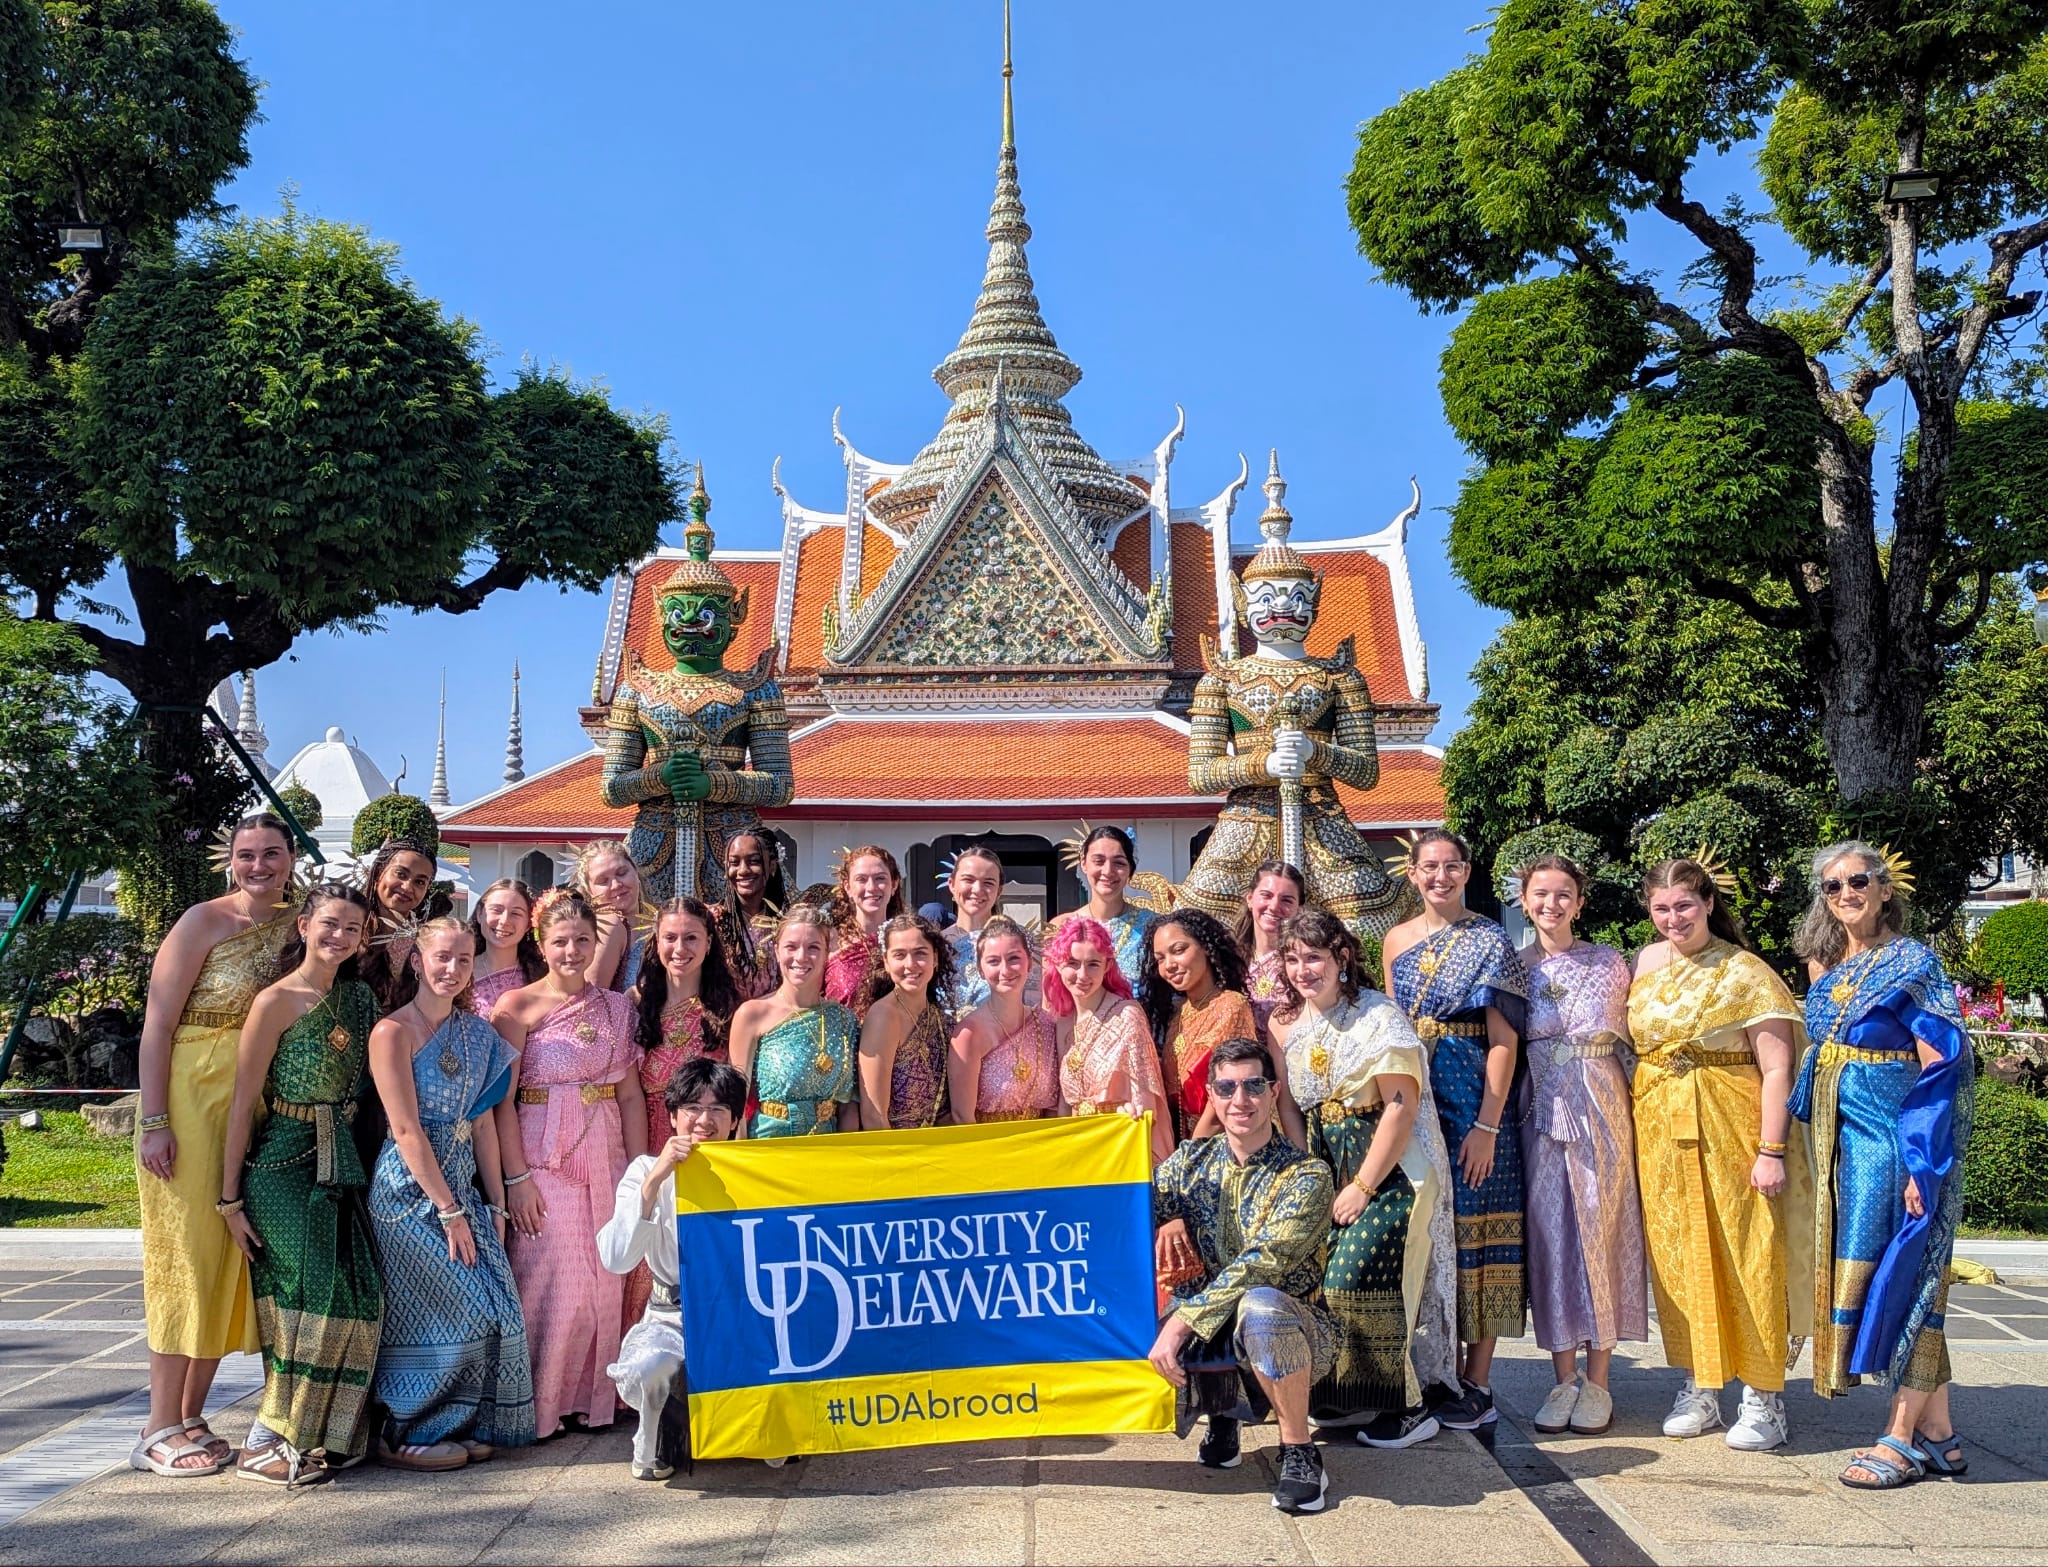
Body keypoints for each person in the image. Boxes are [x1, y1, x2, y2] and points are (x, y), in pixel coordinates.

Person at [1789, 842, 1973, 1488]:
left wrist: (1924, 1164)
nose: (1845, 892)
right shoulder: (1826, 960)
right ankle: (1941, 1434)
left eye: (1857, 880)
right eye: (1832, 884)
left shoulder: (1913, 963)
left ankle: (1899, 1437)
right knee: (1899, 1280)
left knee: (1911, 1279)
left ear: (1885, 887)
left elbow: (1940, 1064)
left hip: (1895, 1140)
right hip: (1841, 1144)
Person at [132, 814, 299, 1478]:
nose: (260, 864)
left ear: (290, 859)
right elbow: (157, 1023)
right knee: (188, 1257)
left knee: (228, 1261)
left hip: (253, 1101)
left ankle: (189, 1413)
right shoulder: (202, 921)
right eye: (247, 854)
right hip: (191, 1099)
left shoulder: (296, 926)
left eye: (272, 853)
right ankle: (154, 1426)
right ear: (229, 859)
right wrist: (153, 1119)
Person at [1627, 856, 1812, 1453]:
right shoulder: (1646, 964)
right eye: (1661, 908)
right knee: (1679, 1254)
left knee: (1745, 1246)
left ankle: (1764, 1395)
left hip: (1732, 1124)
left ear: (1707, 903)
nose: (1673, 918)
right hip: (1658, 1124)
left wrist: (1771, 1149)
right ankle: (1699, 1383)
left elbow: (1778, 1065)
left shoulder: (1746, 971)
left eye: (1684, 905)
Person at [1266, 910, 1456, 1446]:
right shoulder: (1287, 1024)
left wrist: (1363, 1185)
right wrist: (1310, 1177)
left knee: (1355, 1274)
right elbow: (1291, 1111)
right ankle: (1349, 1399)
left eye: (1315, 957)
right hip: (1327, 1165)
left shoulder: (1377, 1014)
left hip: (1388, 1169)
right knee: (1322, 1280)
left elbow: (1401, 1102)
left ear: (1341, 959)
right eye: (1294, 958)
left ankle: (1410, 1406)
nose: (1304, 969)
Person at [218, 882, 384, 1486]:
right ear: (304, 926)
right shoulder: (275, 1001)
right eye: (329, 923)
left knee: (357, 1293)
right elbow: (243, 1104)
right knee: (305, 1300)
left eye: (351, 928)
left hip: (342, 1162)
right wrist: (230, 1198)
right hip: (283, 1166)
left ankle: (328, 1436)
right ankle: (268, 1439)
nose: (338, 936)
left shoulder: (361, 1000)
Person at [366, 918, 535, 1469]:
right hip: (410, 1194)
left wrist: (497, 1205)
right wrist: (448, 1209)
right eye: (441, 957)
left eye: (463, 960)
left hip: (463, 1188)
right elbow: (406, 1130)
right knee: (456, 1309)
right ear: (417, 960)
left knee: (498, 1309)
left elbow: (484, 1125)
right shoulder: (392, 1032)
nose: (451, 969)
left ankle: (462, 1422)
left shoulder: (479, 1034)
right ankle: (404, 1430)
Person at [1150, 1037, 1339, 1515]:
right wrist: (1165, 1216)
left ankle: (1299, 1453)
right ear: (1212, 1096)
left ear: (1274, 1092)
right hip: (1216, 1333)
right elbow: (1126, 1209)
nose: (1241, 1100)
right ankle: (1224, 1415)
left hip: (1294, 1334)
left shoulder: (1306, 1175)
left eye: (1254, 1086)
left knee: (1259, 1304)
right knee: (1164, 1304)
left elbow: (1262, 1261)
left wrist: (1181, 1323)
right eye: (1227, 1088)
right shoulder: (1189, 1164)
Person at [1384, 829, 1529, 1429]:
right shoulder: (1395, 941)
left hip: (1472, 1093)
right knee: (1423, 1223)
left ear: (1467, 872)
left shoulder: (1491, 939)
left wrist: (1487, 1125)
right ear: (1412, 874)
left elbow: (1505, 1040)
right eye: (1429, 867)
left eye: (1451, 866)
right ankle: (1431, 1366)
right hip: (1417, 1092)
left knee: (1479, 1230)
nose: (1440, 877)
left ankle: (1478, 1378)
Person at [492, 890, 646, 1440]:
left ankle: (592, 1399)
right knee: (552, 1274)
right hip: (541, 1148)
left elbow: (629, 1095)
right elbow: (500, 1101)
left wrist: (636, 1169)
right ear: (541, 943)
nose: (573, 950)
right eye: (560, 941)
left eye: (583, 939)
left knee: (606, 1274)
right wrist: (516, 1178)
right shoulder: (515, 1008)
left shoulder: (614, 1008)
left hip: (604, 1141)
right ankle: (538, 1404)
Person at [1515, 855, 1646, 1439]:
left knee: (1602, 1227)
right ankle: (1562, 1376)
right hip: (1540, 1110)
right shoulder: (1514, 969)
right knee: (1552, 1234)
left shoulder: (1609, 962)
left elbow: (1634, 1044)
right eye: (1540, 894)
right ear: (1524, 900)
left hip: (1602, 1106)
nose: (1551, 904)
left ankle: (1600, 1380)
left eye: (1563, 894)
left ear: (1580, 902)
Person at [598, 1058, 750, 1481]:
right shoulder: (645, 1171)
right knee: (651, 1368)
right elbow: (616, 1258)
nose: (705, 1120)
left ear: (736, 1120)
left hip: (740, 1315)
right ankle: (656, 1435)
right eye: (692, 1109)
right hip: (671, 1316)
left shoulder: (755, 1171)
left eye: (718, 1109)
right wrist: (656, 1179)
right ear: (671, 1116)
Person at [622, 897, 739, 1325]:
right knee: (646, 1253)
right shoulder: (634, 1004)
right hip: (651, 1139)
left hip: (710, 1149)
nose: (680, 948)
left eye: (691, 938)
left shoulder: (730, 1010)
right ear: (655, 941)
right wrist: (642, 1163)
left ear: (709, 944)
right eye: (670, 937)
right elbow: (628, 1092)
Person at [1046, 916, 1173, 1165]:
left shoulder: (1127, 1014)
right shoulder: (1062, 1021)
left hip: (1117, 1148)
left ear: (1107, 966)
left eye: (1093, 964)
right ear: (1058, 965)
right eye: (1073, 963)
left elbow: (1145, 1101)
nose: (1082, 975)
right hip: (1077, 1149)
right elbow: (1064, 1101)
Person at [730, 907, 861, 1139]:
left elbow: (848, 1104)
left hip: (827, 1144)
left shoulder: (843, 1019)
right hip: (771, 1143)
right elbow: (735, 1102)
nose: (801, 957)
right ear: (777, 951)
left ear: (826, 952)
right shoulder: (752, 1015)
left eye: (813, 948)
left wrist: (844, 1160)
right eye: (791, 947)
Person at [1141, 910, 1255, 1143]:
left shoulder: (1231, 1006)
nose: (1169, 965)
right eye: (1160, 958)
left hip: (1225, 1144)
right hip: (1183, 1142)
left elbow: (1229, 1092)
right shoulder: (1177, 1016)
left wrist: (1190, 1155)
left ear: (1205, 946)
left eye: (1178, 950)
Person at [947, 917, 1060, 1124]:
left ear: (1029, 963)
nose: (1005, 970)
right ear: (981, 969)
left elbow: (1054, 1106)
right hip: (989, 1147)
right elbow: (963, 1117)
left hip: (1041, 1146)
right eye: (993, 961)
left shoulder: (1045, 1024)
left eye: (1014, 958)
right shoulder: (968, 1034)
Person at [858, 915, 955, 1130]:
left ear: (935, 958)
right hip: (898, 1153)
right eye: (899, 955)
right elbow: (874, 1115)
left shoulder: (940, 1018)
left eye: (920, 953)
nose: (910, 965)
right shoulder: (883, 1017)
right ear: (886, 962)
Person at [1052, 826, 1158, 997]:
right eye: (1099, 861)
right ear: (1084, 863)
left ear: (1130, 869)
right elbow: (1049, 997)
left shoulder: (1153, 926)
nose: (1108, 871)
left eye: (1119, 863)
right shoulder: (1060, 927)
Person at [822, 845, 905, 1026]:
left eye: (880, 879)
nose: (871, 887)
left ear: (894, 884)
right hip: (841, 1047)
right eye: (861, 879)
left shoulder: (908, 942)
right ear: (848, 887)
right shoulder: (829, 943)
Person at [1233, 860, 1305, 1046]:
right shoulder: (1229, 958)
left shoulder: (1304, 963)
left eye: (1286, 900)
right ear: (1250, 899)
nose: (1274, 906)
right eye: (1266, 896)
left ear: (1299, 908)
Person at [713, 829, 785, 1000]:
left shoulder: (786, 925)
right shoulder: (710, 921)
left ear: (772, 866)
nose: (743, 870)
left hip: (776, 1022)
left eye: (754, 861)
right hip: (723, 1023)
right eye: (734, 862)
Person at [571, 841, 646, 993]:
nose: (616, 884)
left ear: (636, 872)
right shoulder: (609, 925)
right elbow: (591, 1001)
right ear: (589, 891)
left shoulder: (653, 923)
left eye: (622, 873)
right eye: (603, 881)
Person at [468, 878, 545, 1020]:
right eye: (496, 910)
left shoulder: (541, 977)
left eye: (516, 913)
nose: (504, 921)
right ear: (480, 914)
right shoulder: (459, 971)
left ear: (529, 923)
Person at [941, 845, 1006, 1011]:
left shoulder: (1016, 944)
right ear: (952, 884)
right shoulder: (935, 945)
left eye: (988, 883)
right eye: (968, 880)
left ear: (999, 891)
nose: (977, 890)